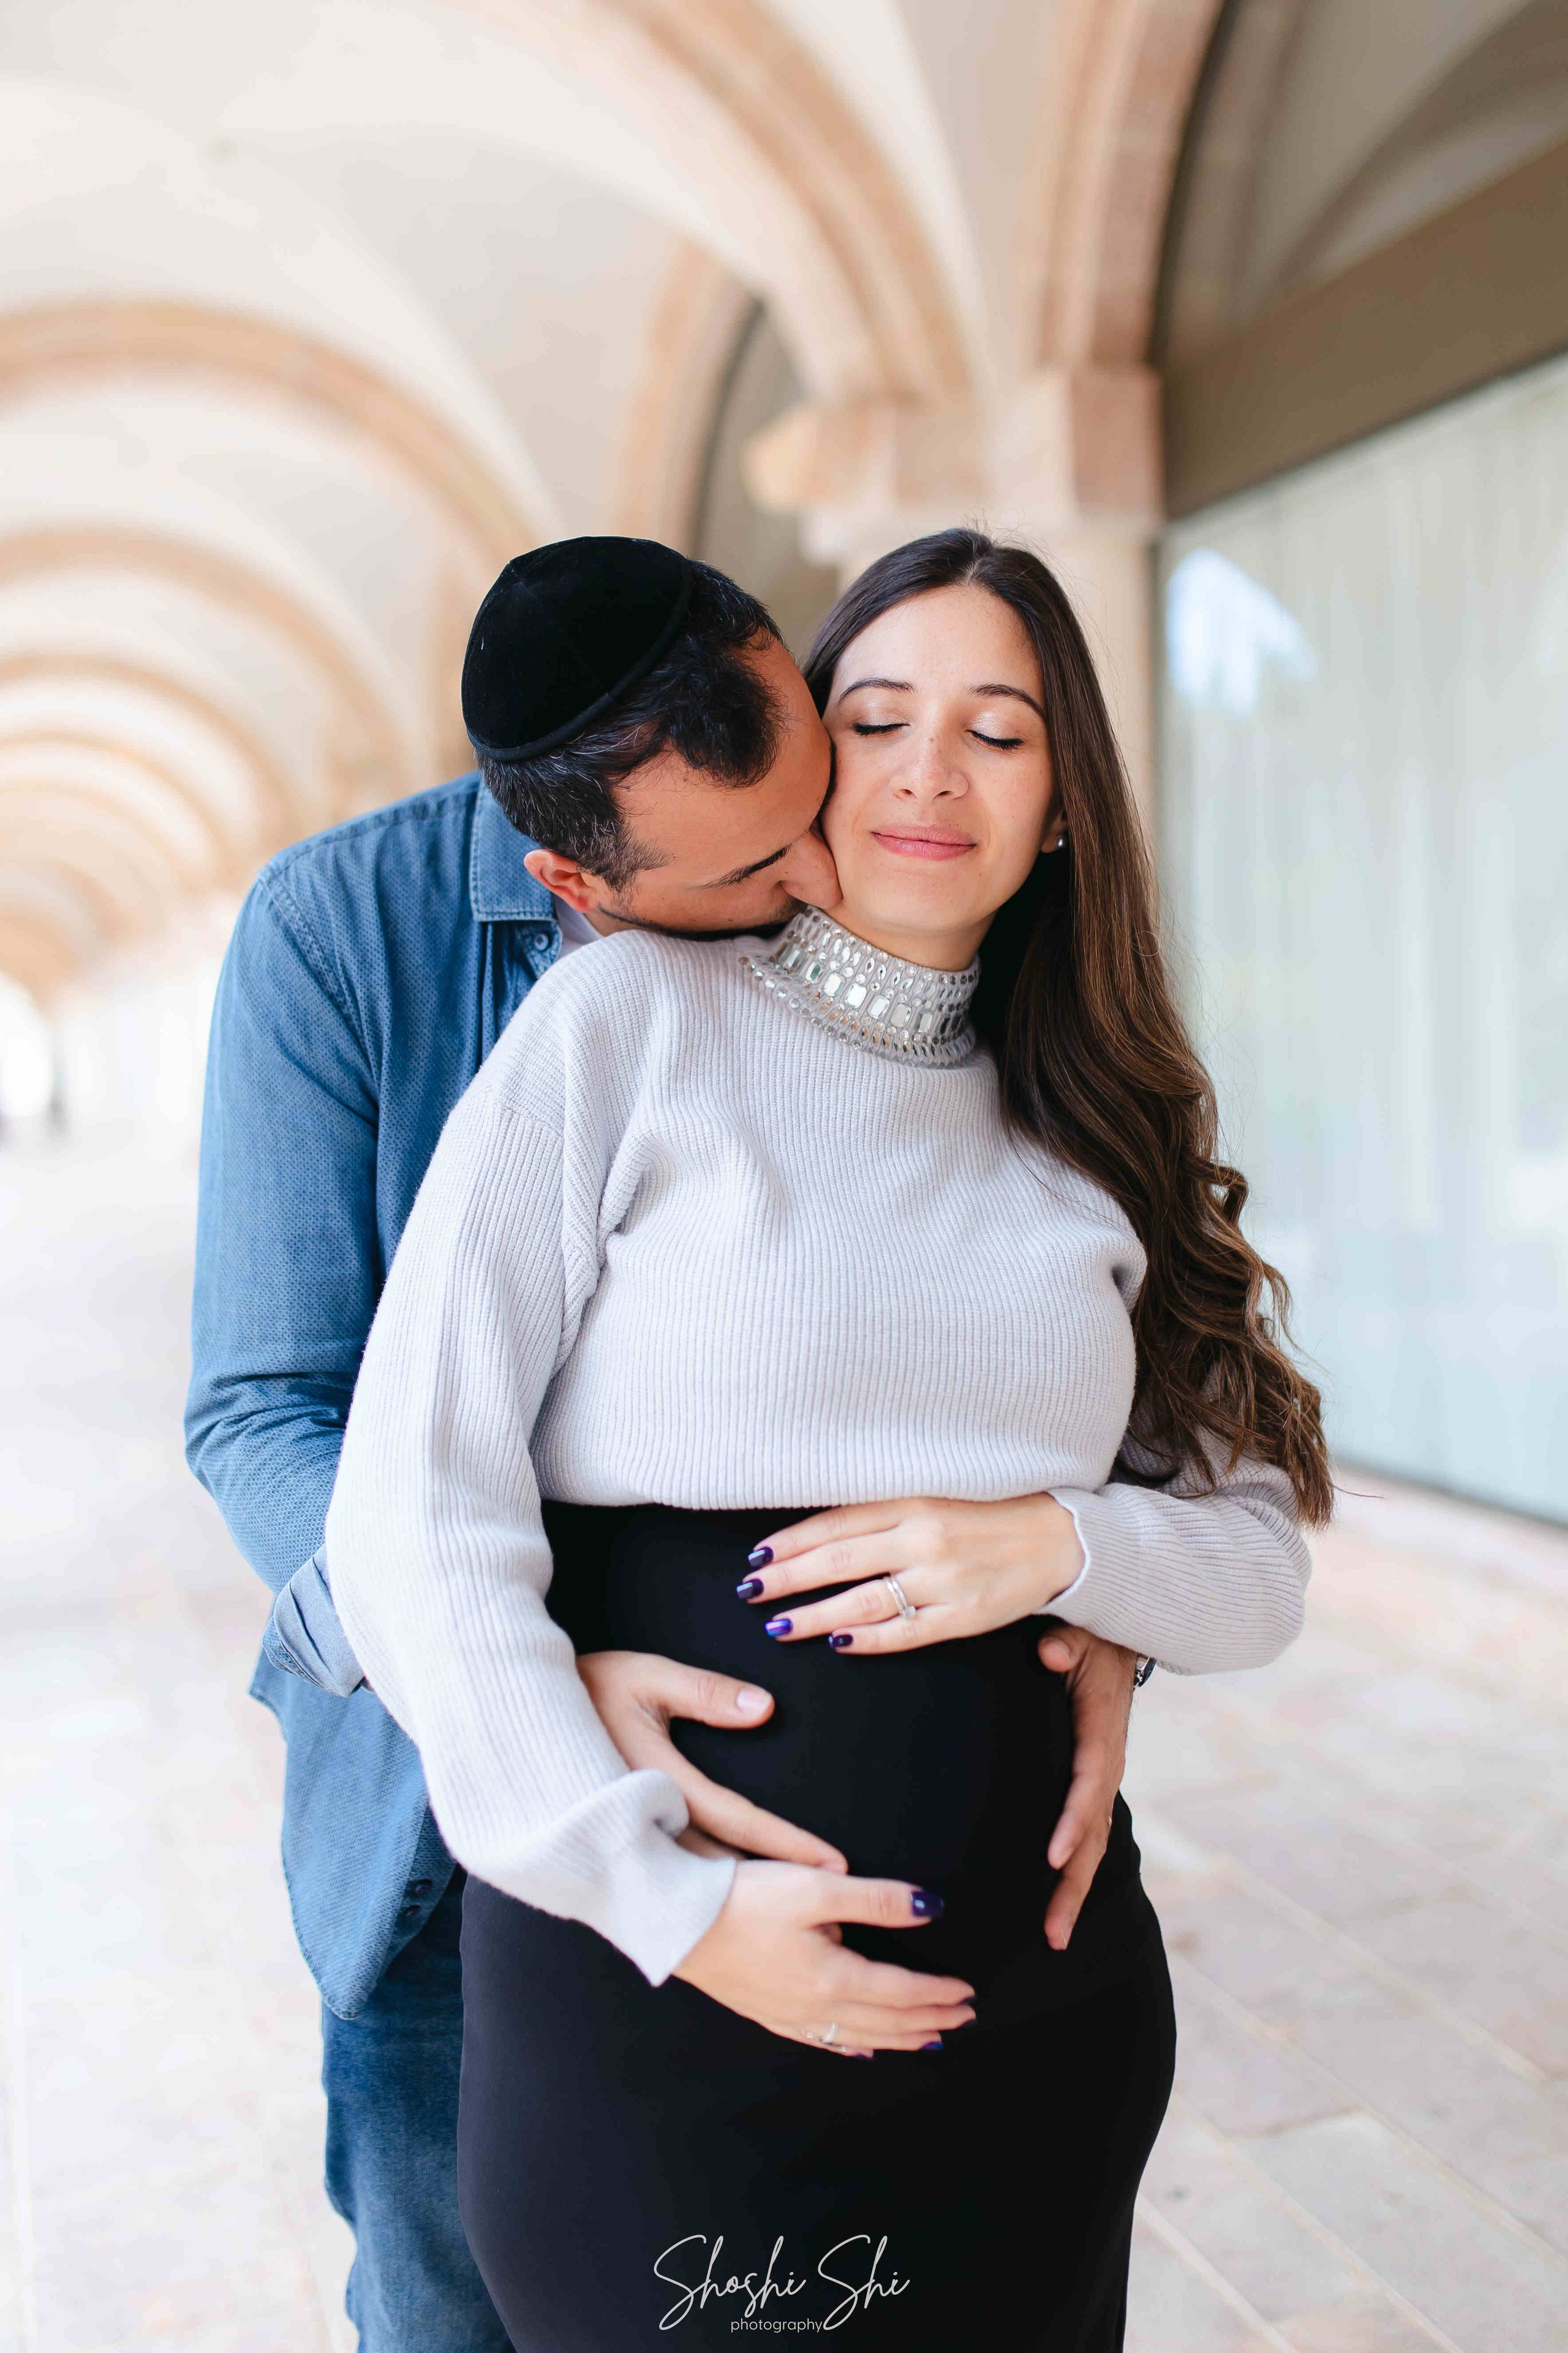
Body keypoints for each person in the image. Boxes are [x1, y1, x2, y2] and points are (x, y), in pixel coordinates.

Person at [325, 529, 1332, 2349]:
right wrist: (664, 1902)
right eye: (877, 720)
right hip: (665, 2025)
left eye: (1001, 732)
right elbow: (413, 1504)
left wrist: (1064, 1549)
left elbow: (1259, 1565)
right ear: (804, 759)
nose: (932, 770)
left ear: (1067, 811)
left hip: (1036, 2047)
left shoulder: (1097, 1130)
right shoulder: (620, 1026)